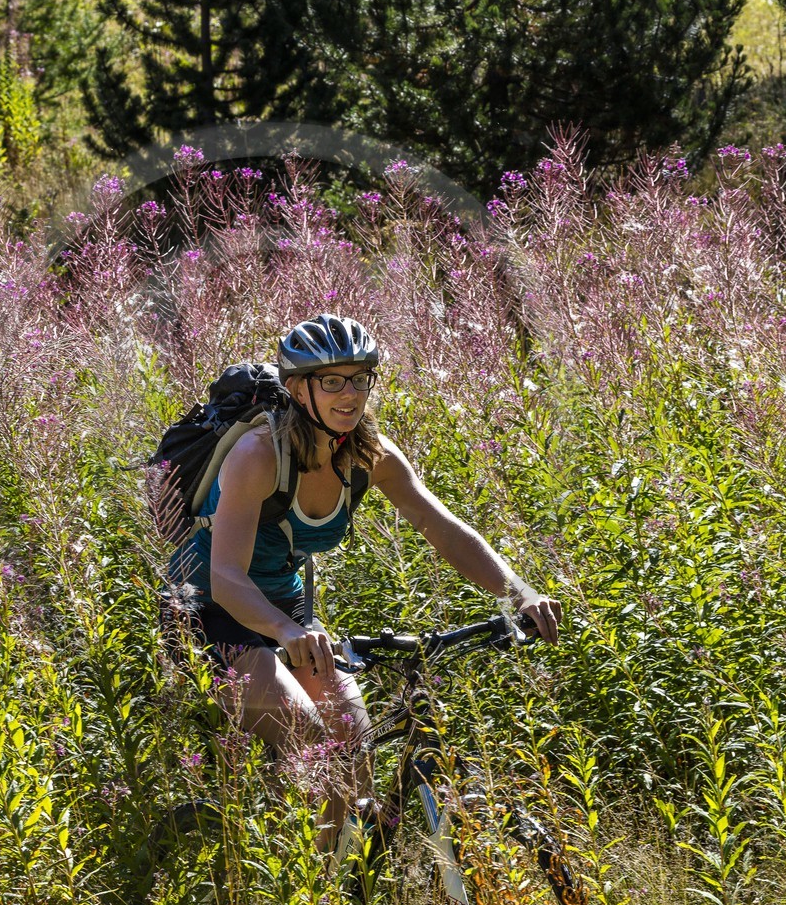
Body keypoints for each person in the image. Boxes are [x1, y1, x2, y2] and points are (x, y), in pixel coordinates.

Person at [169, 313, 561, 846]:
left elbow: (439, 526)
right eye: (331, 380)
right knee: (307, 731)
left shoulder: (368, 455)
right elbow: (225, 576)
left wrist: (519, 594)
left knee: (351, 735)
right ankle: (303, 895)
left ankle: (347, 888)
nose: (349, 393)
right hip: (209, 613)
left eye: (359, 378)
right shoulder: (257, 455)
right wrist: (286, 632)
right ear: (297, 389)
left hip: (288, 611)